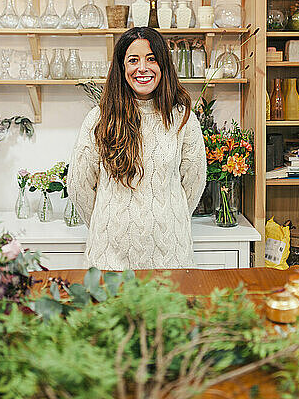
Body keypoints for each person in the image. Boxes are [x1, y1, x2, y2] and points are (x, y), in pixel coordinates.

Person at [67, 27, 207, 270]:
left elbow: (194, 183)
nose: (142, 68)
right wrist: (107, 224)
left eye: (151, 59)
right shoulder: (99, 118)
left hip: (171, 257)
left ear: (163, 66)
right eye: (133, 60)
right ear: (122, 69)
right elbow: (79, 185)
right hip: (110, 260)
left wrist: (169, 217)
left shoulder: (183, 119)